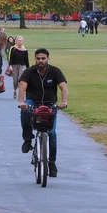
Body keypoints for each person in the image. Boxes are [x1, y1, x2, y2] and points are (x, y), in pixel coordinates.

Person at [18, 48, 68, 178]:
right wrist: (21, 101)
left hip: (50, 104)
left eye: (43, 58)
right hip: (32, 102)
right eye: (38, 58)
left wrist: (64, 101)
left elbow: (63, 87)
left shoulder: (55, 71)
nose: (41, 61)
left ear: (48, 59)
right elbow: (22, 87)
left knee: (51, 133)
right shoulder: (29, 72)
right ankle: (28, 139)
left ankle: (51, 163)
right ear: (35, 59)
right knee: (24, 112)